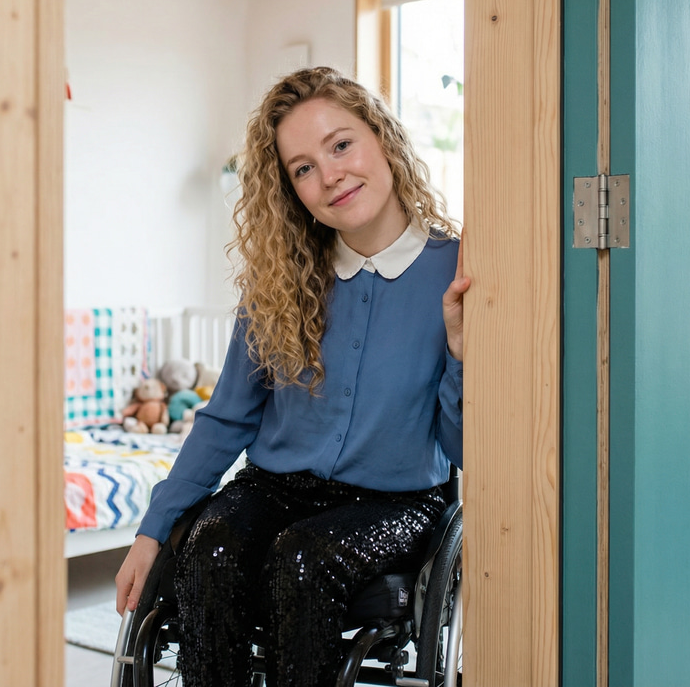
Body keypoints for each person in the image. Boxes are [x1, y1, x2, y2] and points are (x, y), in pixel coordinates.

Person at [115, 66, 469, 687]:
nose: (330, 175)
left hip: (398, 502)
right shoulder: (279, 280)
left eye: (341, 145)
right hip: (274, 487)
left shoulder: (457, 268)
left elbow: (461, 448)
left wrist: (463, 357)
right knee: (210, 543)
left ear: (383, 138)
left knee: (302, 558)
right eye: (303, 167)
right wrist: (152, 531)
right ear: (291, 189)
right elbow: (226, 418)